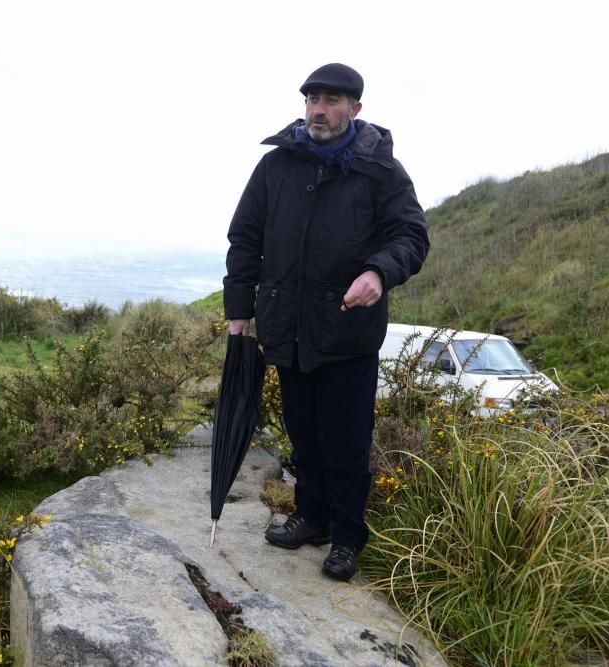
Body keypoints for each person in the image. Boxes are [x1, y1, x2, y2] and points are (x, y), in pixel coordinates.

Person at [223, 63, 429, 581]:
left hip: (346, 333)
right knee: (304, 435)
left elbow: (410, 236)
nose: (319, 108)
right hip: (286, 330)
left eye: (332, 100)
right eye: (313, 98)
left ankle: (346, 536)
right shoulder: (276, 166)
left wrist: (379, 274)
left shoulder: (381, 170)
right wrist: (238, 311)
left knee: (346, 443)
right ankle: (311, 517)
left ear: (355, 109)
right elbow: (245, 239)